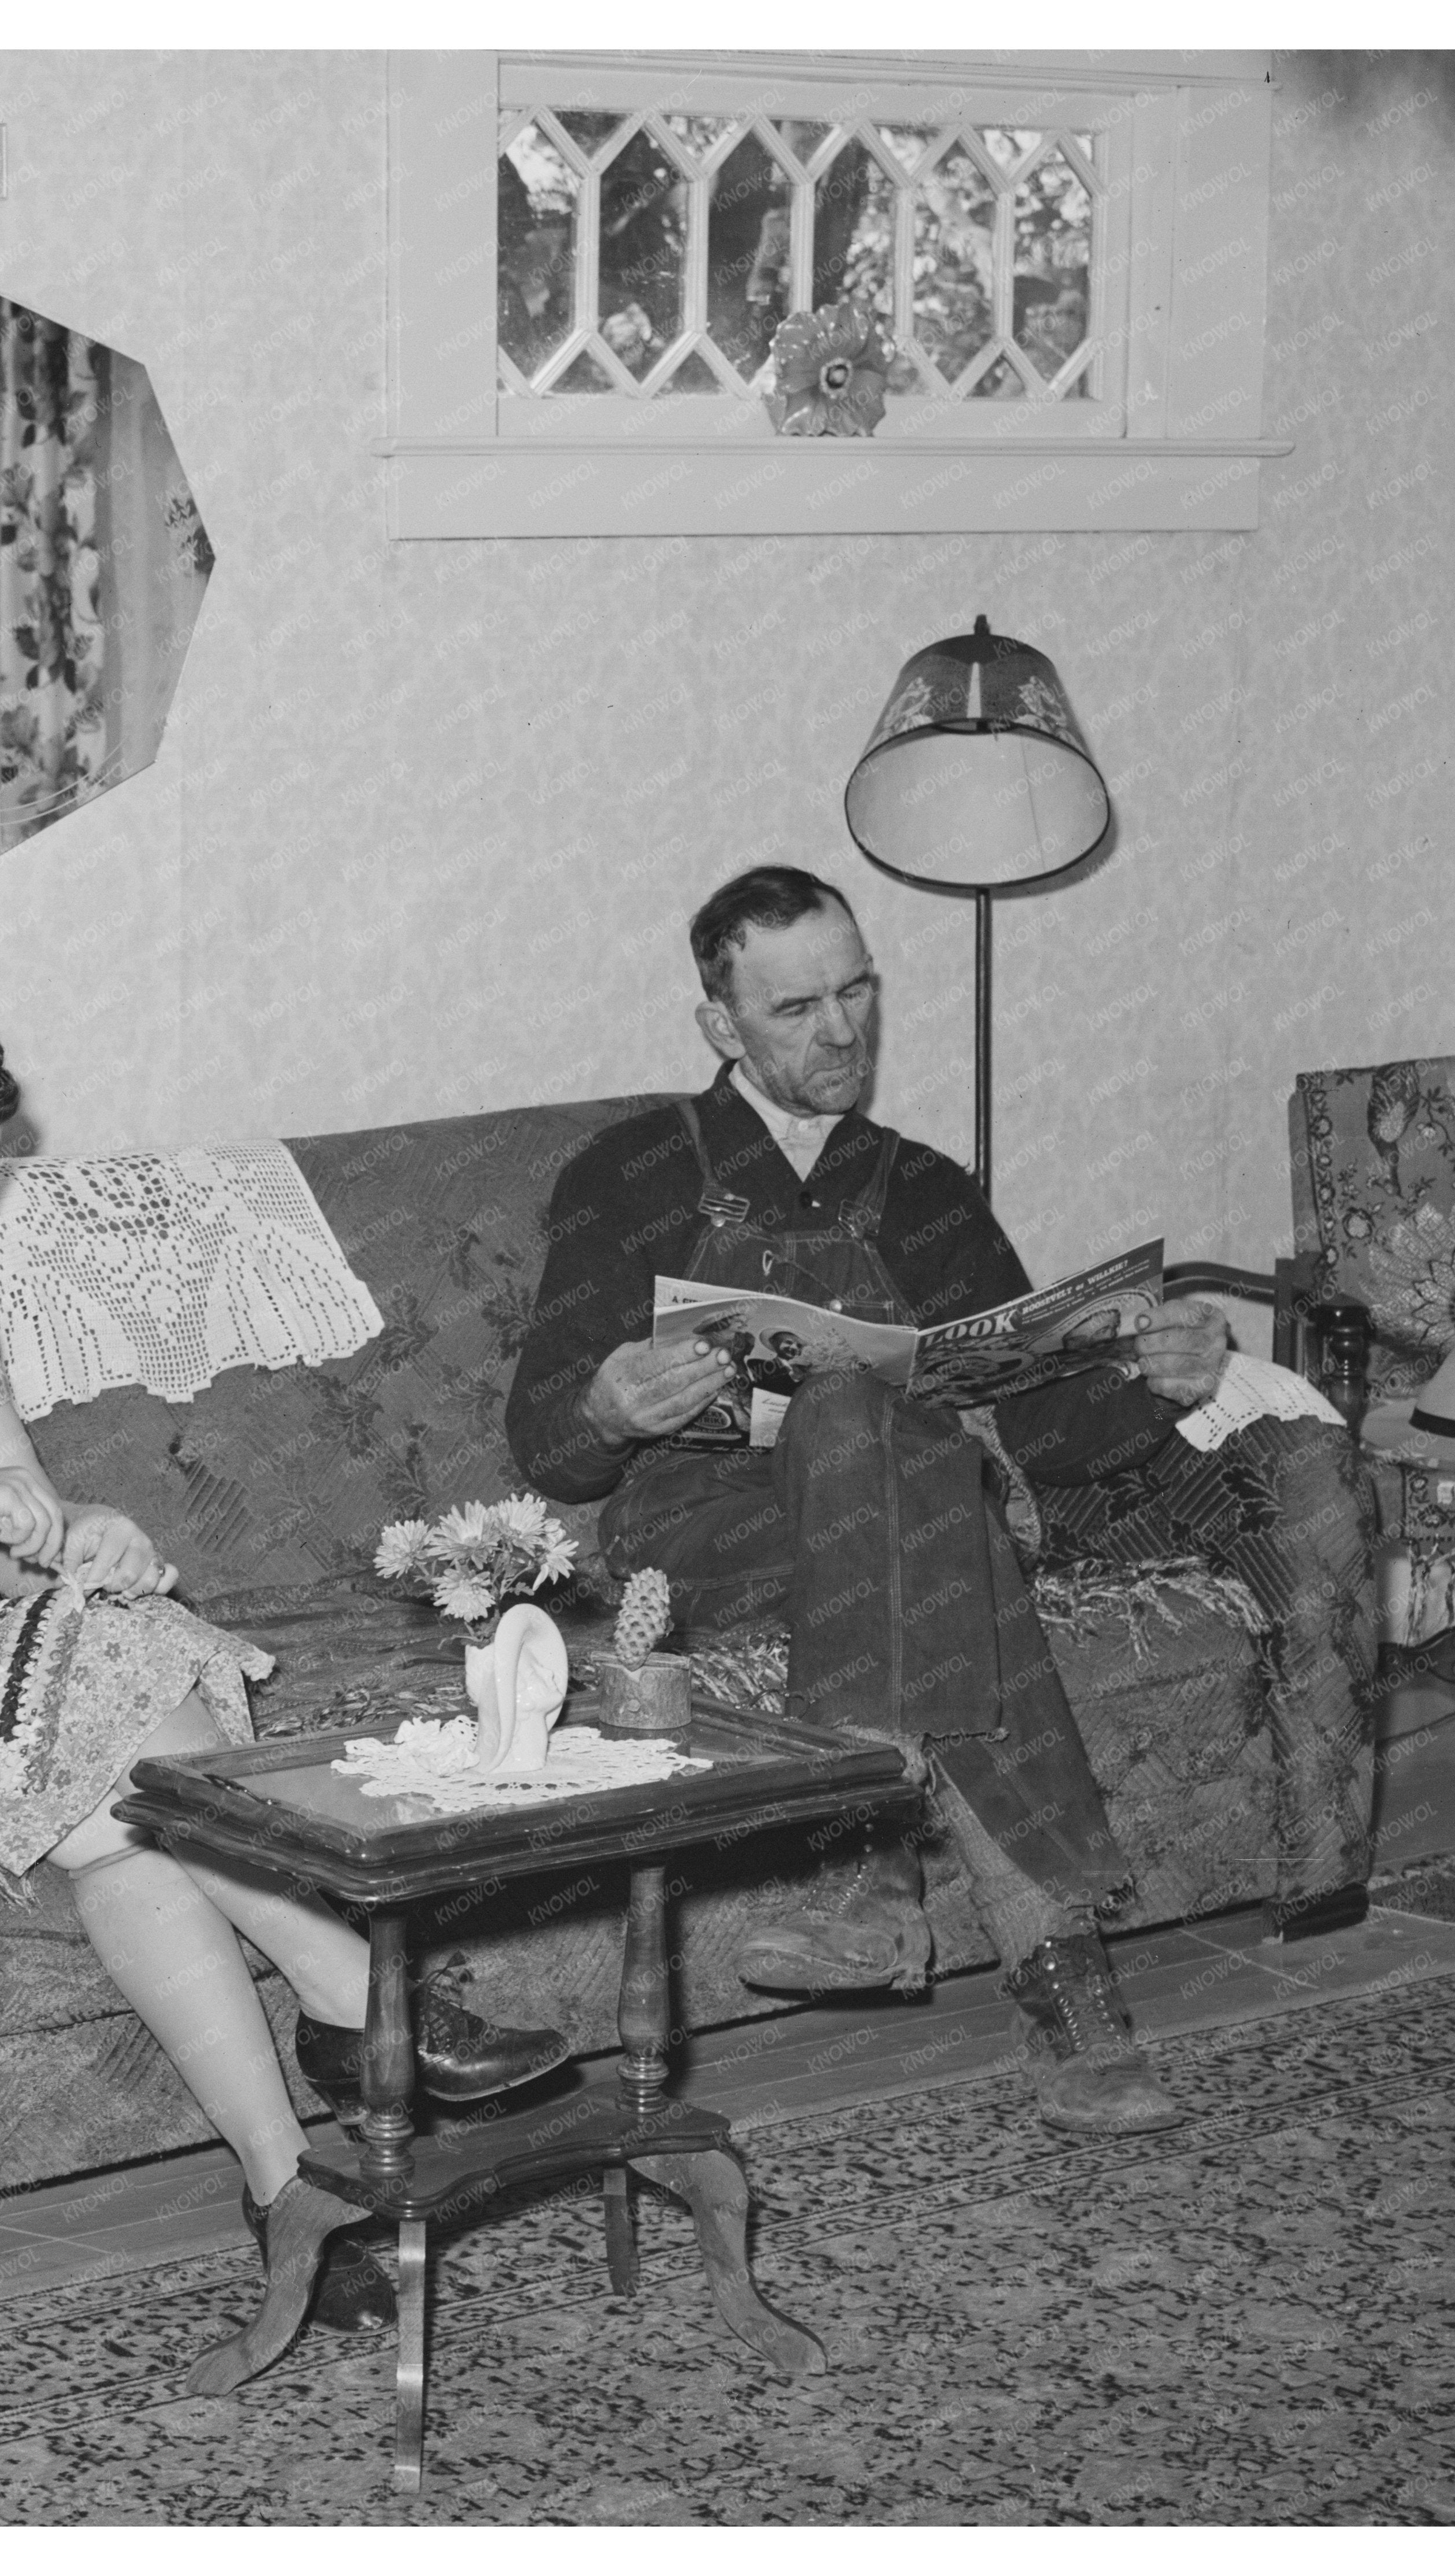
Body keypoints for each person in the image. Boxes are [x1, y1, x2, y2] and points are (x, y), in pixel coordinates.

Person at [0, 994, 566, 2326]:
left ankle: (287, 2190)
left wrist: (79, 1541)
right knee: (115, 1701)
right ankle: (358, 1989)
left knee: (124, 1808)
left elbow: (14, 1535)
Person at [503, 869, 1233, 2136]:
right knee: (910, 1492)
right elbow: (547, 1446)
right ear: (721, 1025)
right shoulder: (629, 1173)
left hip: (907, 1509)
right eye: (795, 1010)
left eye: (856, 992)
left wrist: (1155, 1381)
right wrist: (609, 1407)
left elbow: (1044, 1434)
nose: (840, 1032)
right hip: (706, 1528)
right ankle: (1064, 1998)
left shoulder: (926, 1187)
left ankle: (872, 1884)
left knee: (895, 1462)